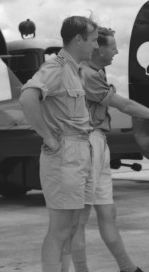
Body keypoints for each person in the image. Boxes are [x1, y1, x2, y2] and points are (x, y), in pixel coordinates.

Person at [68, 26, 149, 272]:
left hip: (98, 143)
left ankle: (128, 268)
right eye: (112, 47)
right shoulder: (87, 74)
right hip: (88, 144)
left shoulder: (93, 73)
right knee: (79, 220)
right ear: (98, 49)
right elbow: (126, 105)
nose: (117, 51)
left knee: (108, 212)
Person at [20, 16, 99, 272]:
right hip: (65, 154)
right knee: (60, 229)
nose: (96, 46)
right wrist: (48, 137)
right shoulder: (56, 67)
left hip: (78, 152)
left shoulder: (75, 70)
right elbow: (28, 97)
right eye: (94, 40)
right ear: (79, 39)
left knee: (72, 227)